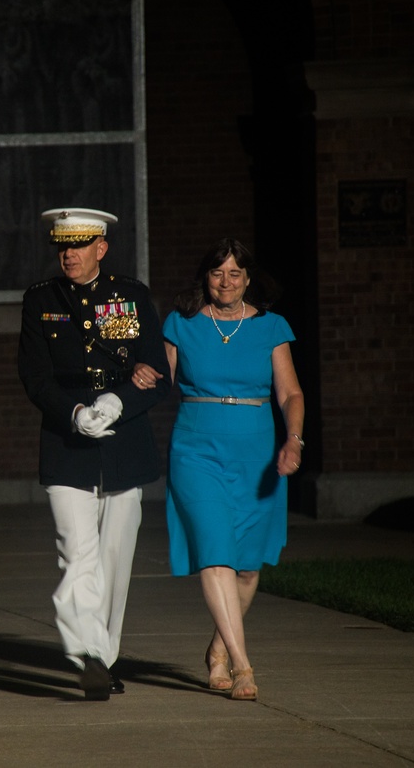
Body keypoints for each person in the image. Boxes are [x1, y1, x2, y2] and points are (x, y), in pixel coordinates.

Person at [133, 237, 304, 701]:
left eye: (234, 273)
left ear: (248, 279)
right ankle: (244, 666)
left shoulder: (271, 326)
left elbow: (290, 394)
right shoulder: (181, 323)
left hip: (256, 453)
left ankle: (218, 650)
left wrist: (293, 439)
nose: (225, 282)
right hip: (196, 448)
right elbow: (157, 382)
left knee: (247, 567)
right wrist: (142, 374)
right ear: (204, 277)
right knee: (215, 552)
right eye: (217, 273)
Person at [18, 207, 170, 701]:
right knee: (76, 553)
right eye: (62, 246)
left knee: (115, 558)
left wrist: (116, 401)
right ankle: (89, 654)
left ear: (100, 248)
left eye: (79, 245)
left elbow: (156, 375)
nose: (69, 254)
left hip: (124, 445)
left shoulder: (131, 296)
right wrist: (77, 410)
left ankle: (104, 655)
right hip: (67, 444)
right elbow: (36, 378)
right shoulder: (41, 300)